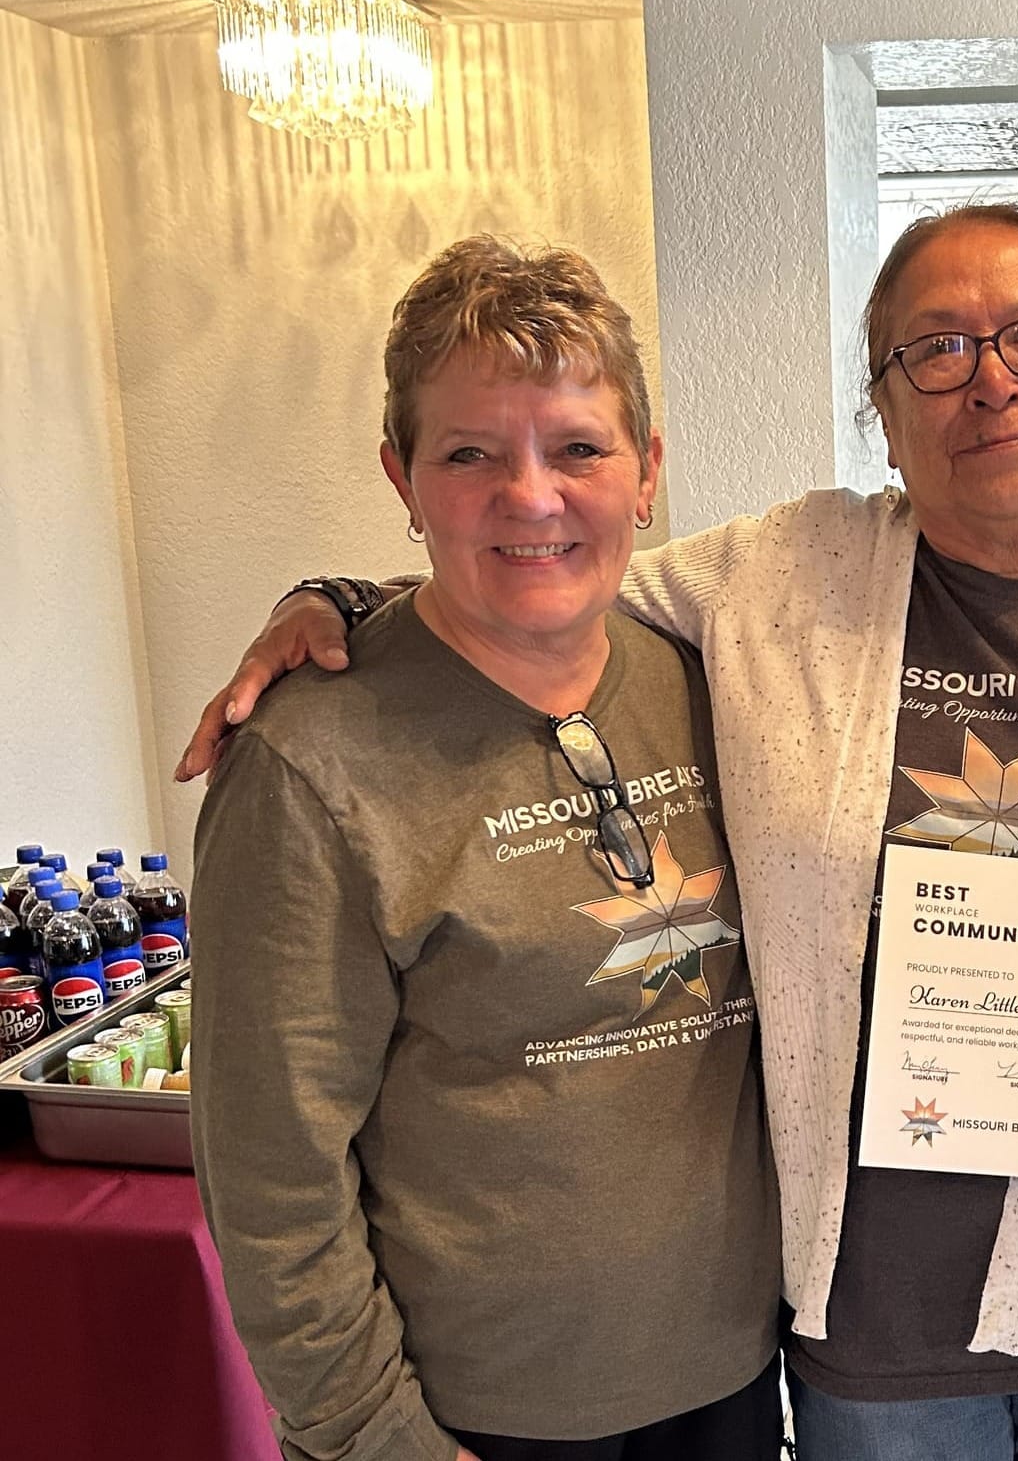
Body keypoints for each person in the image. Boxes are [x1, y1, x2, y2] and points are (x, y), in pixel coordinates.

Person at [180, 205, 1018, 1461]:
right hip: (859, 1323)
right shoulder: (781, 578)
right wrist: (341, 605)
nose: (992, 379)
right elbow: (535, 580)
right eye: (936, 350)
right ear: (884, 413)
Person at [189, 237, 783, 1461]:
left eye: (578, 446)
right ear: (401, 478)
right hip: (473, 1415)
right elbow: (270, 1169)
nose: (531, 495)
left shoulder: (715, 680)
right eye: (469, 453)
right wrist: (370, 1434)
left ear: (646, 472)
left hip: (733, 1372)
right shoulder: (307, 764)